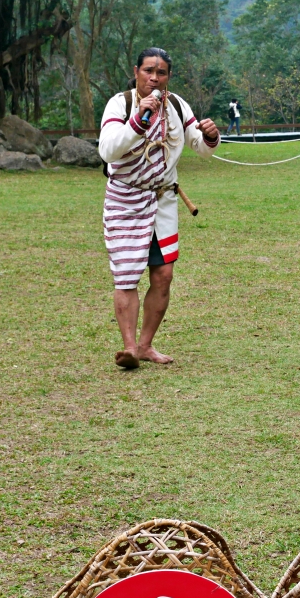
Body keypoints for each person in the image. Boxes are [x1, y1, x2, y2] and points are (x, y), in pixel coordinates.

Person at [98, 47, 221, 369]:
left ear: (168, 77)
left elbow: (201, 148)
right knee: (126, 275)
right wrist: (139, 118)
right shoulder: (120, 104)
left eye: (161, 72)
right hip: (125, 201)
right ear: (136, 71)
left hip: (163, 201)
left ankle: (145, 345)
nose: (154, 78)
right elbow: (108, 150)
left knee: (163, 275)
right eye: (148, 70)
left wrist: (210, 136)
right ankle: (128, 349)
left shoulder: (177, 105)